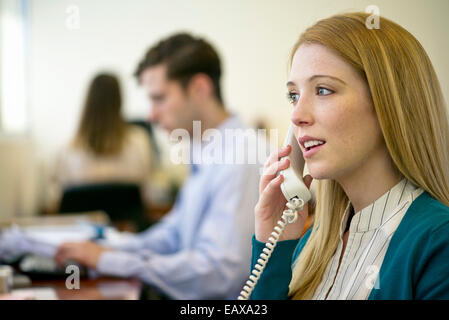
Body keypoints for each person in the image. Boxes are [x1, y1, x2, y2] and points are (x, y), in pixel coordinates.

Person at [250, 12, 449, 300]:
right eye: (293, 96)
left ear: (388, 105)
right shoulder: (310, 244)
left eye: (323, 90)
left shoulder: (437, 242)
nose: (296, 116)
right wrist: (272, 243)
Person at [53, 33, 262, 299]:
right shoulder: (206, 149)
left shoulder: (242, 157)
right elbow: (173, 235)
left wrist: (112, 261)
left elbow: (219, 274)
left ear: (199, 88)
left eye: (159, 98)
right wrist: (109, 249)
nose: (150, 114)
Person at [46, 73, 154, 212]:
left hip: (80, 230)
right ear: (120, 100)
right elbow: (147, 195)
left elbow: (55, 200)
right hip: (127, 229)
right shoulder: (139, 142)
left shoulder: (66, 151)